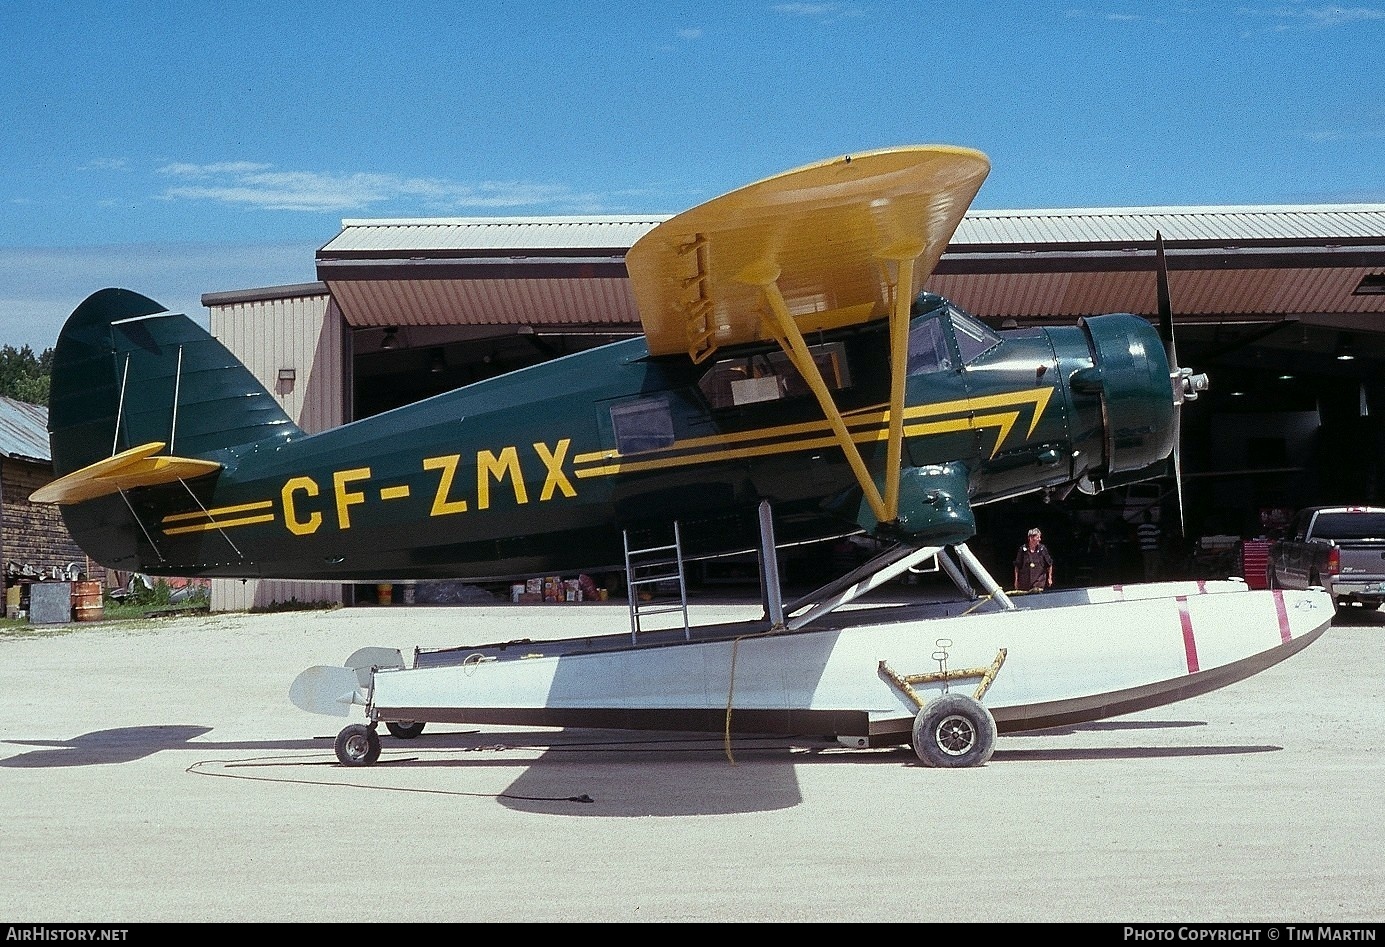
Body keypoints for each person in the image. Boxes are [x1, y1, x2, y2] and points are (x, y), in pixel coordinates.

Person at [1013, 527, 1055, 592]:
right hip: (1025, 583)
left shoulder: (1042, 549)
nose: (1039, 539)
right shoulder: (1023, 550)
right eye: (1037, 537)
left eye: (1040, 537)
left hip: (1039, 582)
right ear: (1031, 538)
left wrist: (1050, 578)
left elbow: (1049, 564)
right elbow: (1017, 566)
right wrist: (1016, 580)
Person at [1136, 511, 1162, 581]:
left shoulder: (1140, 528)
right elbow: (1158, 538)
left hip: (1144, 548)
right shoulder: (1154, 527)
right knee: (1154, 563)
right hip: (1153, 548)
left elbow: (1139, 539)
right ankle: (1153, 577)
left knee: (1147, 564)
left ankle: (1147, 579)